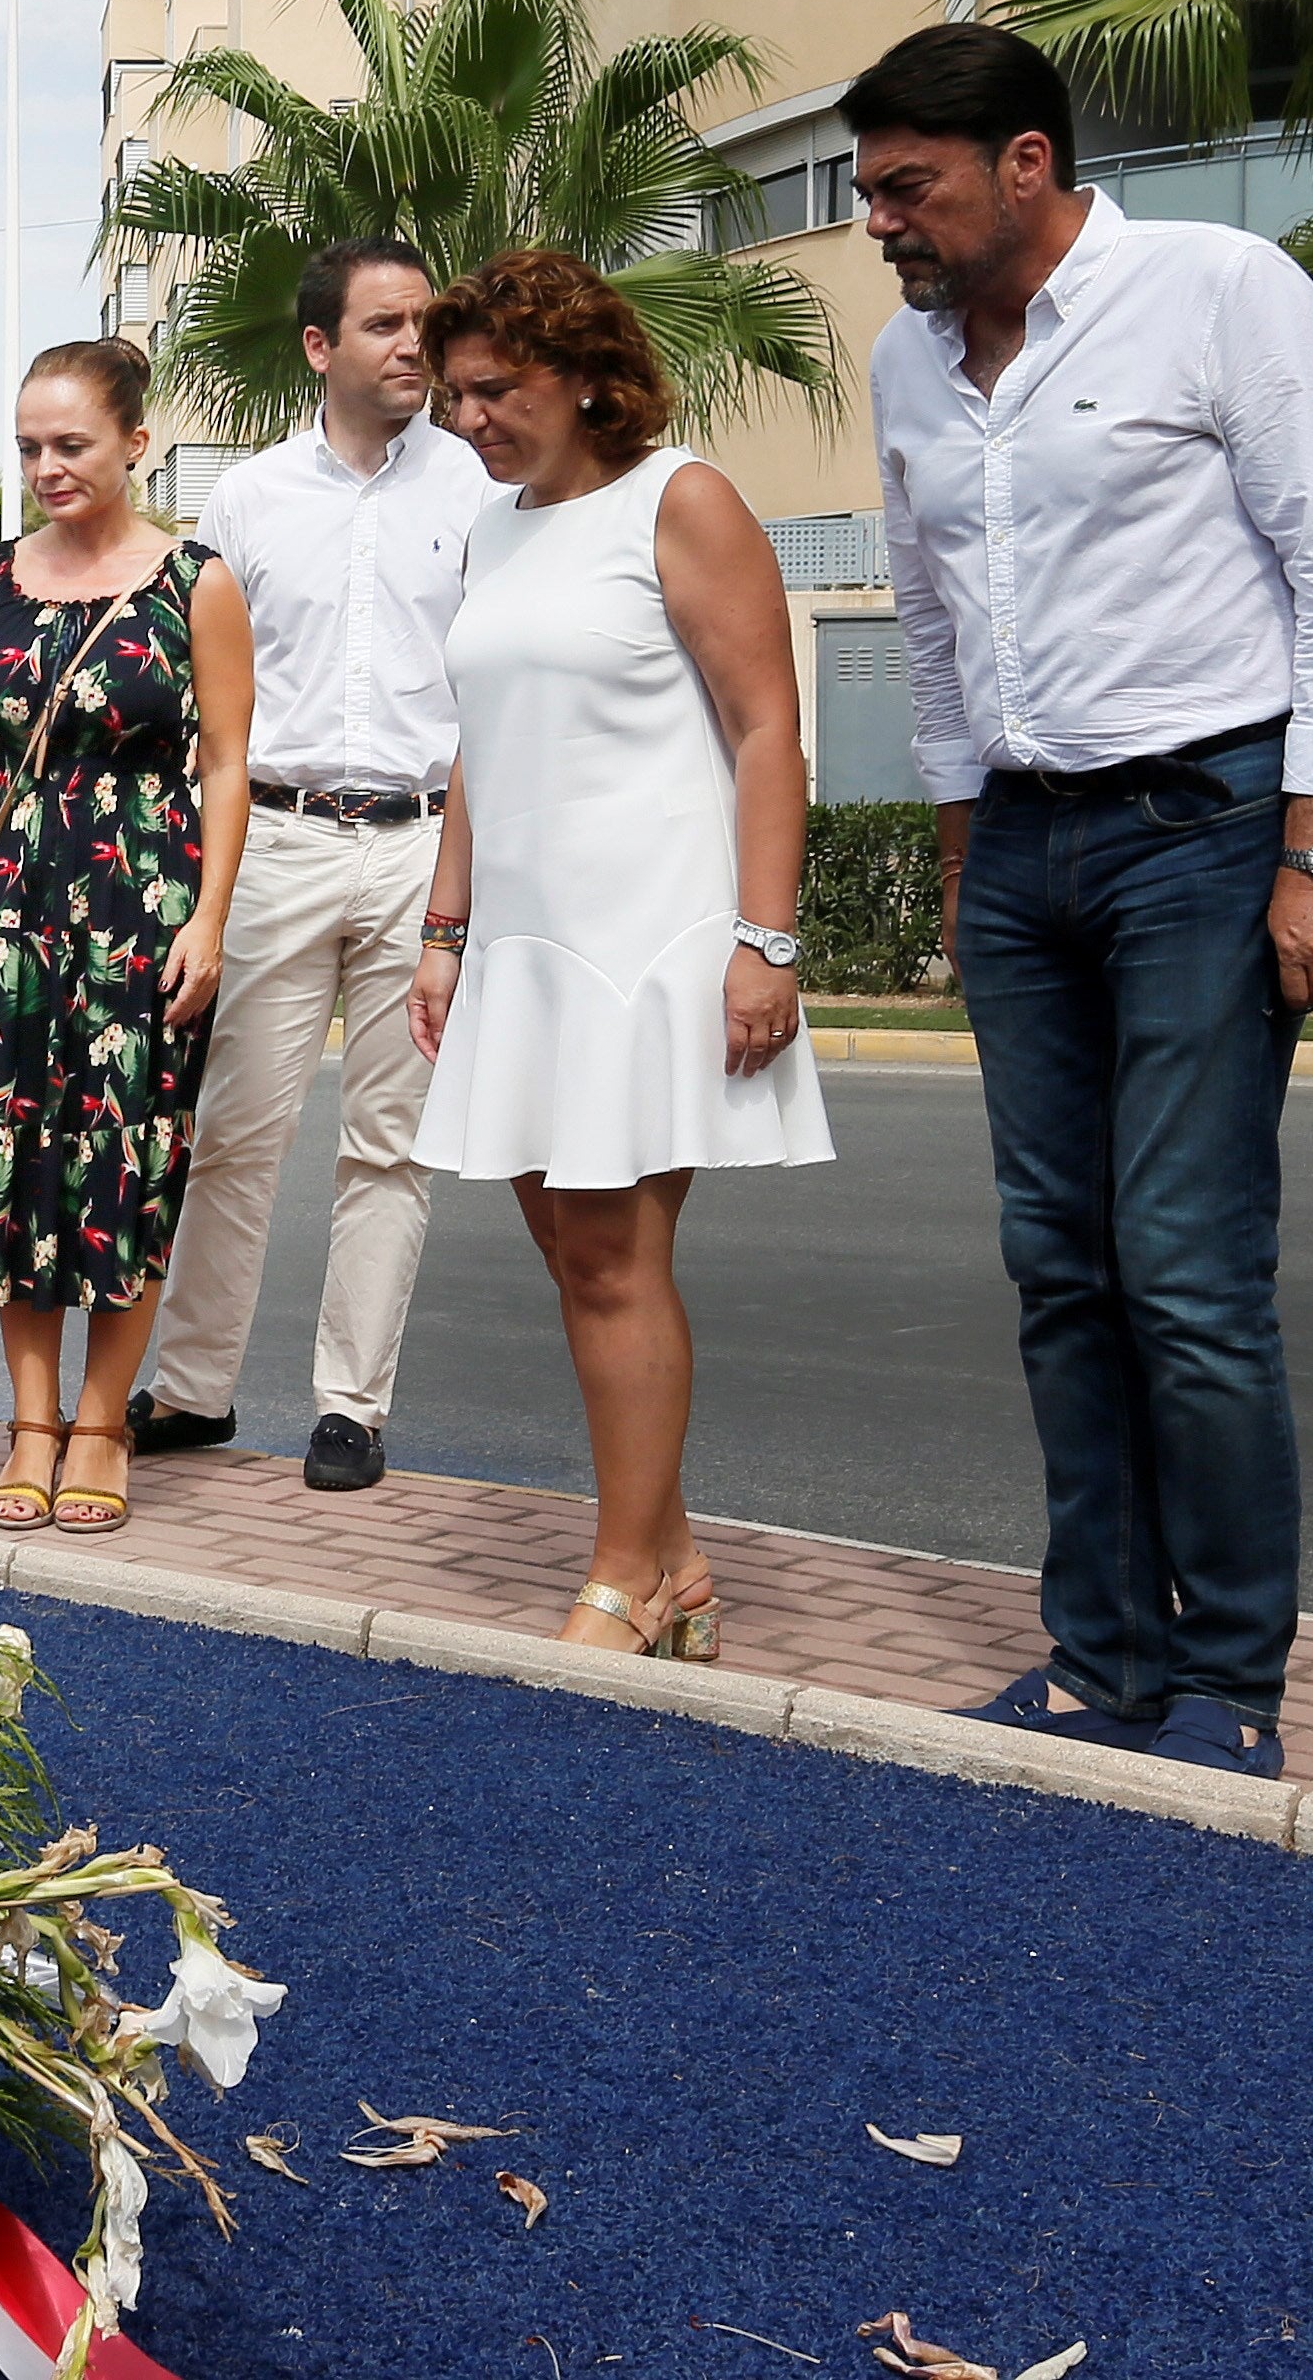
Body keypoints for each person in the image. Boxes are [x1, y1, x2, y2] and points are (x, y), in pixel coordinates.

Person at [851, 21, 1313, 1780]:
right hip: (1020, 845)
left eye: (904, 187)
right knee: (1056, 1264)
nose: (880, 222)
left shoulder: (1219, 291)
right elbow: (931, 622)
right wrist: (961, 865)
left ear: (1025, 162)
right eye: (869, 193)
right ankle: (1096, 1655)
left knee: (1181, 1266)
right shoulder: (907, 366)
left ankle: (1228, 1675)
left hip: (1207, 823)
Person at [406, 250, 828, 1658]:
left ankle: (624, 1581)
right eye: (453, 397)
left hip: (653, 935)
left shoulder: (681, 498)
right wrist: (445, 931)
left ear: (588, 374)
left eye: (495, 390)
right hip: (522, 943)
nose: (469, 421)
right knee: (566, 1245)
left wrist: (764, 941)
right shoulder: (495, 531)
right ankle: (676, 1556)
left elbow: (767, 726)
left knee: (607, 1252)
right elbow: (479, 742)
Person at [126, 235, 494, 1494]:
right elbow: (209, 705)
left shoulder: (476, 489)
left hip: (424, 846)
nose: (415, 348)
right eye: (387, 326)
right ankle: (192, 1390)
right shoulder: (247, 501)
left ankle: (354, 1405)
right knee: (235, 1132)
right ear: (319, 346)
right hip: (278, 837)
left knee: (392, 1143)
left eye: (424, 326)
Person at [0, 339, 251, 1535]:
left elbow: (224, 762)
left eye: (72, 445)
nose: (48, 467)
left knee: (130, 1153)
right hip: (7, 901)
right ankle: (31, 1421)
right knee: (12, 1150)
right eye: (30, 448)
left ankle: (104, 1423)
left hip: (142, 901)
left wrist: (210, 917)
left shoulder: (195, 581)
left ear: (134, 445)